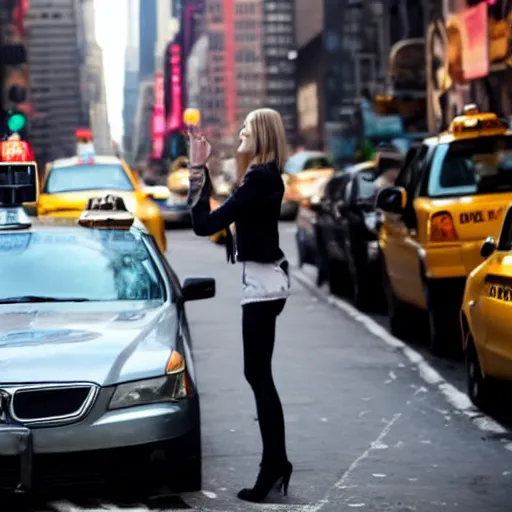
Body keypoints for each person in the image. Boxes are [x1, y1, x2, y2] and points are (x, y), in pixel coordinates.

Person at [186, 108, 293, 503]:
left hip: (264, 286)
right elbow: (223, 212)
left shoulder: (260, 178)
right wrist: (201, 169)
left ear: (262, 132)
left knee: (258, 376)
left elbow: (205, 224)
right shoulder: (261, 178)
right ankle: (277, 462)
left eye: (246, 127)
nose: (241, 131)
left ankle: (273, 467)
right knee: (258, 375)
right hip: (265, 282)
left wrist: (198, 170)